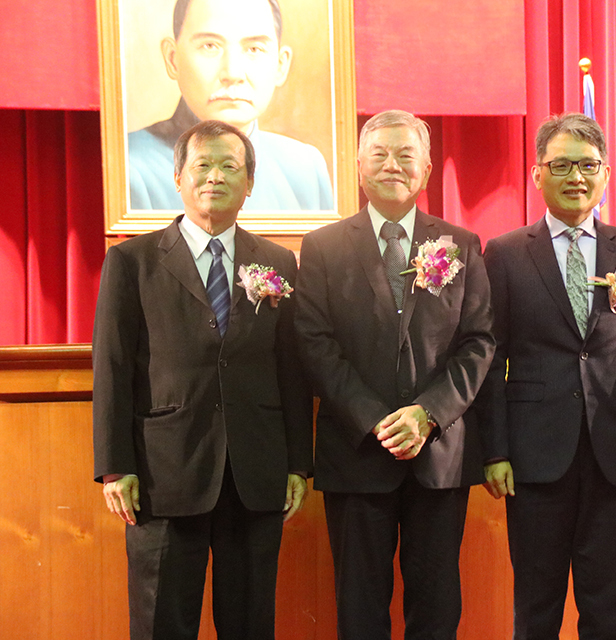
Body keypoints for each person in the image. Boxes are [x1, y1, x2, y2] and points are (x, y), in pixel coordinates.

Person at [93, 119, 313, 640]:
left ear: (249, 183)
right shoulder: (131, 261)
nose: (215, 176)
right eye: (203, 165)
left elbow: (292, 369)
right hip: (163, 473)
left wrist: (297, 463)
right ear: (178, 177)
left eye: (229, 166)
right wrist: (114, 465)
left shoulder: (277, 262)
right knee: (162, 623)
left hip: (254, 472)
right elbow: (113, 367)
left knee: (250, 622)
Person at [294, 109, 495, 639]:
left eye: (406, 155)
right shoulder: (322, 248)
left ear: (426, 169)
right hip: (357, 451)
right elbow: (315, 344)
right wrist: (377, 420)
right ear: (358, 167)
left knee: (437, 608)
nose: (392, 165)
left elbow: (478, 342)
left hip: (439, 455)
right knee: (359, 609)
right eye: (379, 155)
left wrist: (427, 415)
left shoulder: (460, 244)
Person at [478, 112, 616, 638]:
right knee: (536, 606)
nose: (576, 177)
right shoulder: (505, 253)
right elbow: (490, 358)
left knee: (606, 606)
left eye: (588, 165)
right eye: (561, 165)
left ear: (606, 173)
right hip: (533, 455)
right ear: (537, 174)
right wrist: (494, 451)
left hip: (613, 452)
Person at [127, 0, 334, 211]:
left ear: (281, 65)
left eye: (254, 49)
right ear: (173, 59)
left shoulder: (305, 169)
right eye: (210, 46)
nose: (233, 73)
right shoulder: (130, 167)